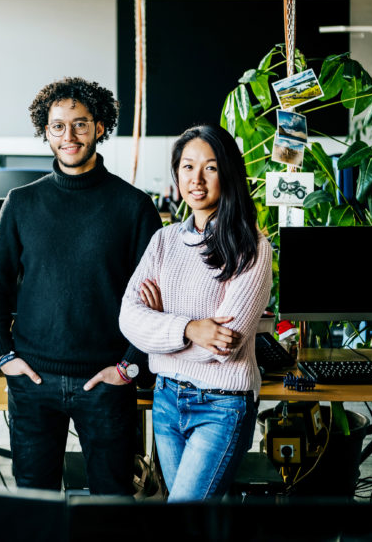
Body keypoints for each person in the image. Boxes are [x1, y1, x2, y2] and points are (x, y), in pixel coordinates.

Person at [0, 77, 162, 494]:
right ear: (45, 131)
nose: (69, 136)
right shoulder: (21, 202)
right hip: (33, 381)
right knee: (34, 501)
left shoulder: (133, 206)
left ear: (100, 127)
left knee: (111, 501)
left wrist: (130, 365)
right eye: (57, 126)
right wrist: (3, 354)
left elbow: (158, 297)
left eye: (80, 124)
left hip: (107, 382)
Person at [119, 123, 272, 502]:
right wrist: (188, 328)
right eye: (187, 167)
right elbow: (128, 317)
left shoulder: (250, 247)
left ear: (228, 173)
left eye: (211, 167)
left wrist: (160, 330)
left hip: (221, 406)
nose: (197, 179)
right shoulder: (164, 240)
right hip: (167, 401)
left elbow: (224, 347)